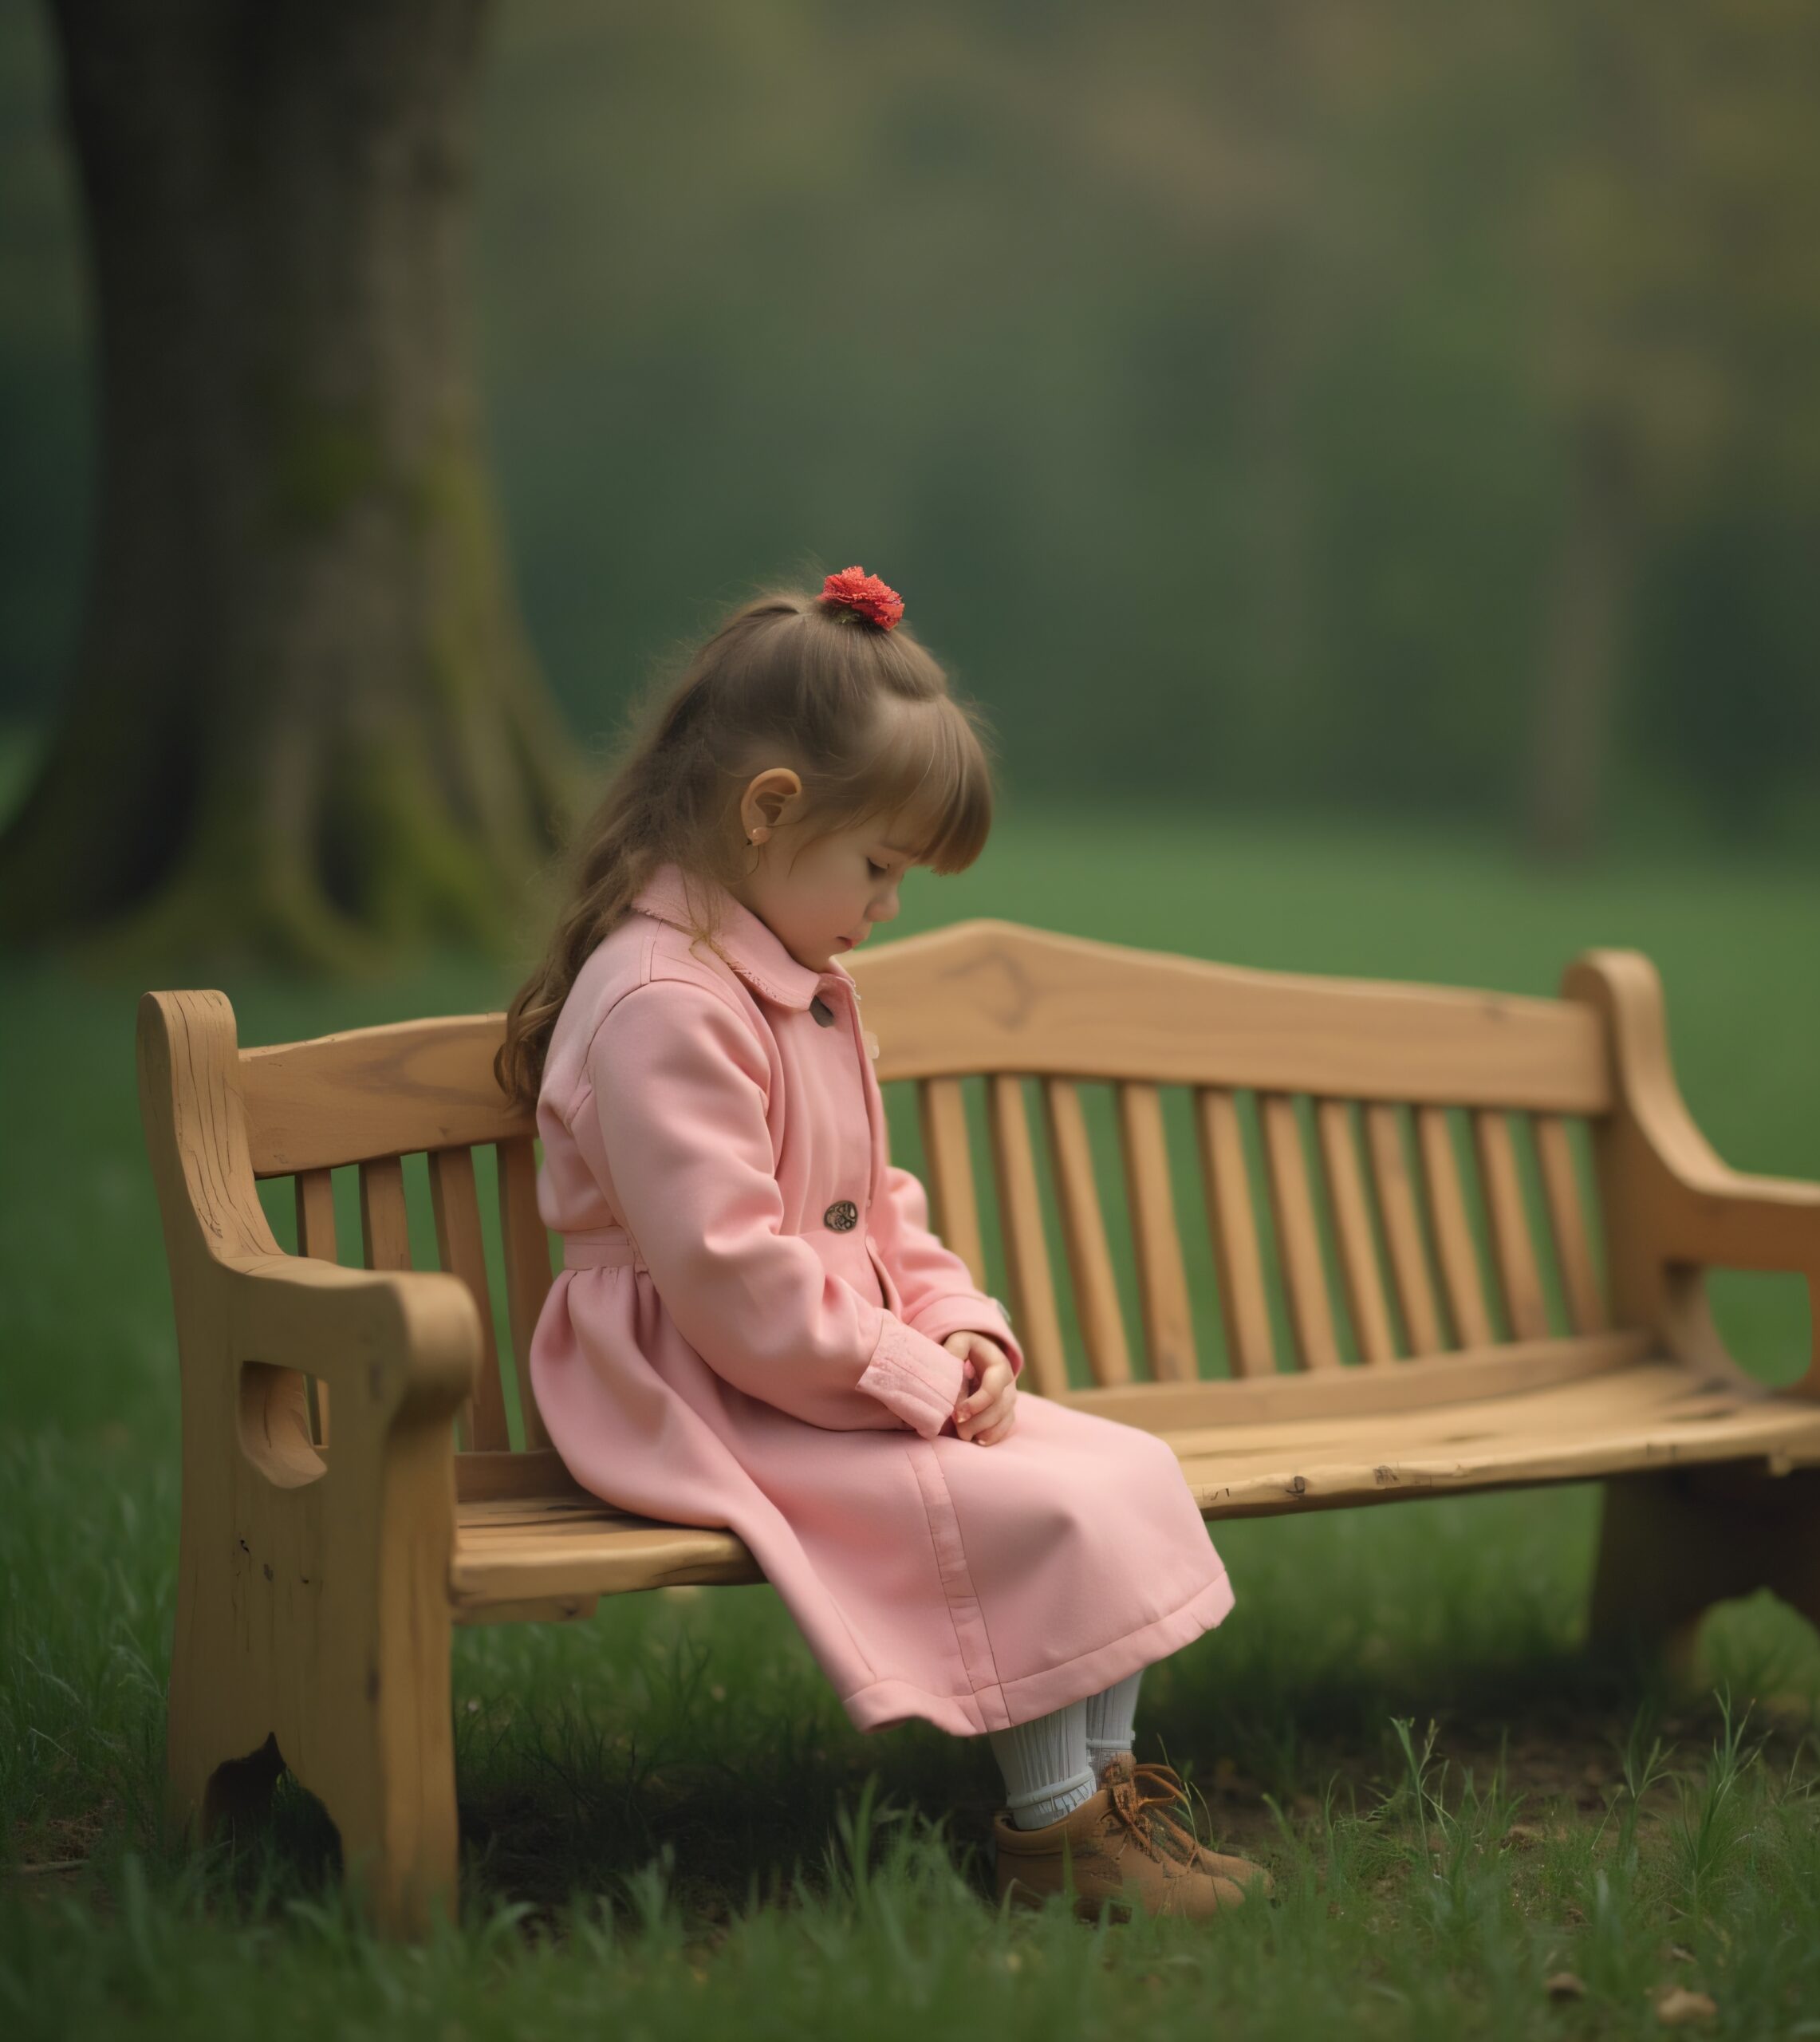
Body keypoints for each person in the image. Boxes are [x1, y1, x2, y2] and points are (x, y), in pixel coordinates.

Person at [494, 565, 1268, 1922]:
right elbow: (734, 1277)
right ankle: (1054, 1835)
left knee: (1126, 1469)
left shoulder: (794, 984)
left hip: (815, 1362)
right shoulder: (664, 1002)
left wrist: (961, 1329)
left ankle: (1106, 1801)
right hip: (700, 1388)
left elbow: (873, 1204)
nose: (889, 909)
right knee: (1033, 1505)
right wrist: (906, 1378)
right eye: (880, 870)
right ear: (770, 813)